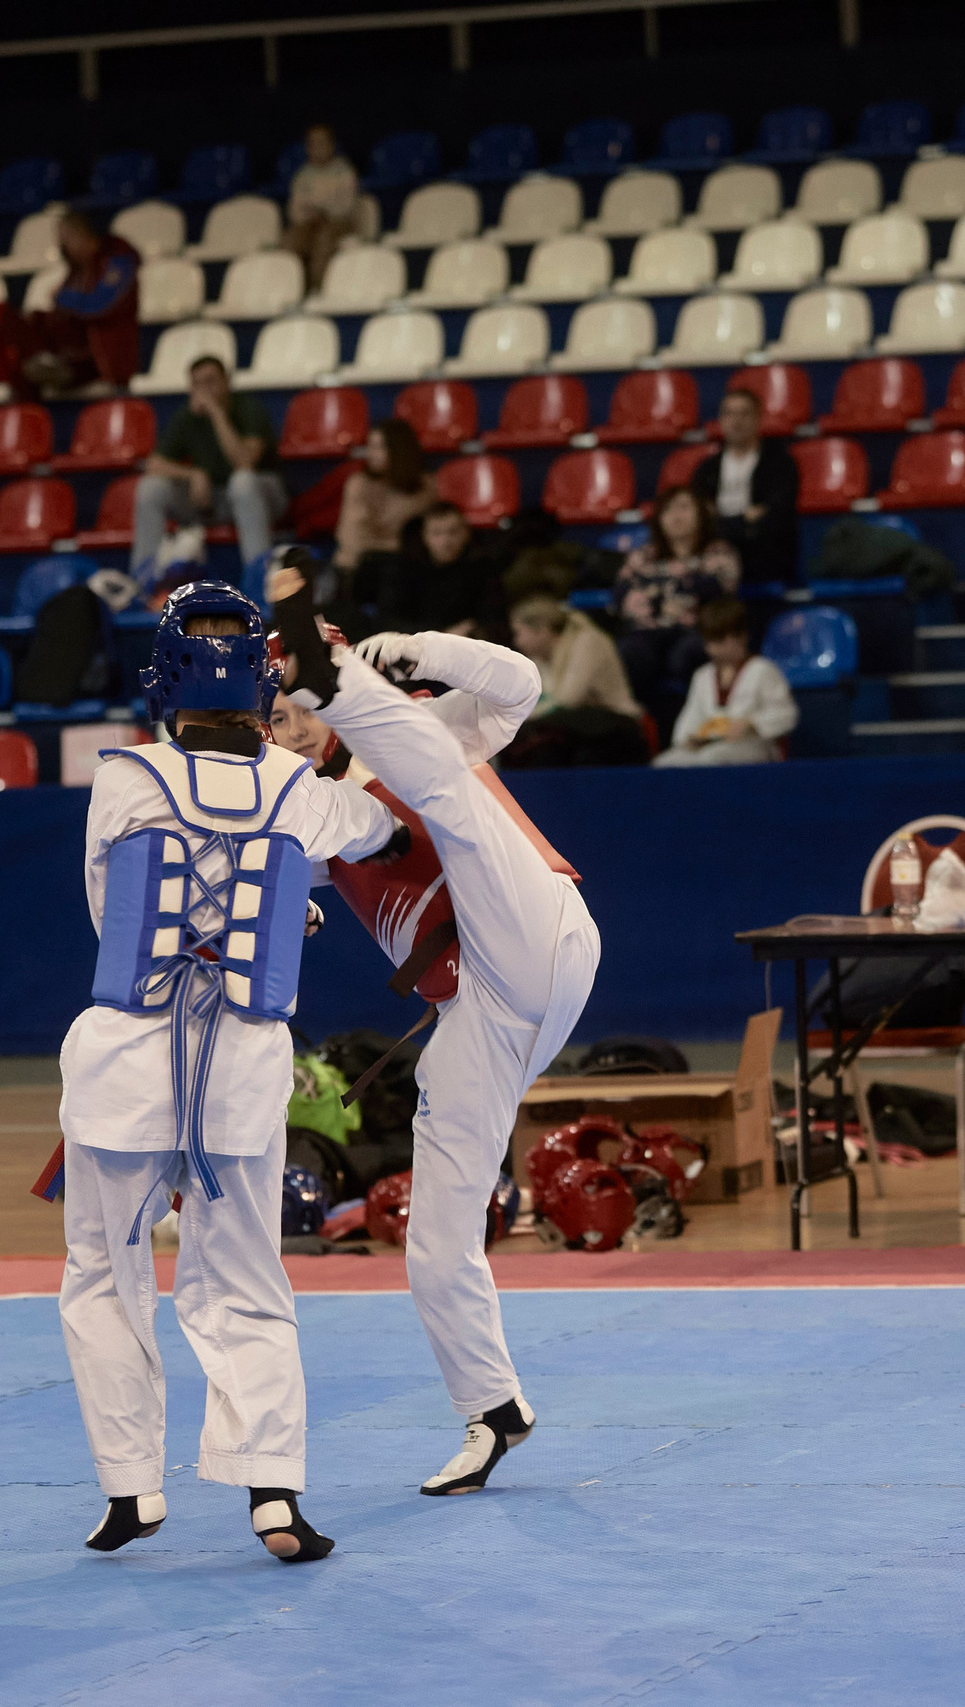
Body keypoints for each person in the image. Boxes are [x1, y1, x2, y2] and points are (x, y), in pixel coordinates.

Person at [55, 581, 397, 1564]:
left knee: (102, 1277)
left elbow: (108, 911)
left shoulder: (123, 778)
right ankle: (274, 1499)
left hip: (128, 1053)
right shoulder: (300, 789)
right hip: (242, 1061)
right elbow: (382, 831)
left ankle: (132, 1492)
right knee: (247, 1281)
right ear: (263, 678)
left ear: (163, 675)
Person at [266, 550, 599, 1495]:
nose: (288, 732)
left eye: (300, 708)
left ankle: (341, 670)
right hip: (482, 1010)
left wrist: (419, 651)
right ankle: (493, 1409)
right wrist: (285, 896)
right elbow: (311, 835)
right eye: (280, 717)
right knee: (433, 1232)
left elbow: (522, 684)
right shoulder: (317, 801)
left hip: (533, 925)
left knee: (448, 786)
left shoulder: (416, 730)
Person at [133, 357, 286, 579]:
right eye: (197, 384)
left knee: (242, 481)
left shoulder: (249, 408)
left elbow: (244, 461)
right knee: (151, 487)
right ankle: (143, 582)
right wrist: (193, 473)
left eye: (210, 382)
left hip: (262, 496)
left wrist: (216, 413)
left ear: (226, 381)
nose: (204, 390)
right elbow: (153, 464)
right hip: (212, 500)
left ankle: (258, 579)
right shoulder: (187, 416)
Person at [613, 485, 741, 727]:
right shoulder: (643, 555)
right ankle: (637, 729)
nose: (676, 516)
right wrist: (680, 590)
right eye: (668, 510)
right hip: (647, 632)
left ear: (701, 514)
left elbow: (715, 592)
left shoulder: (719, 552)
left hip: (697, 632)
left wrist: (654, 593)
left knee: (688, 653)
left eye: (684, 507)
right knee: (629, 653)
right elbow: (623, 596)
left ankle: (703, 724)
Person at [501, 595, 649, 767]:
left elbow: (568, 699)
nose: (516, 641)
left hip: (617, 724)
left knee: (550, 726)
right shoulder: (539, 659)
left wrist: (524, 718)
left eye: (518, 632)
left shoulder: (587, 640)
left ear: (541, 630)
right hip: (581, 727)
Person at [652, 599, 796, 767]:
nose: (712, 650)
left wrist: (751, 724)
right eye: (708, 642)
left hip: (752, 746)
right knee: (663, 763)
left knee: (713, 757)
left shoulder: (763, 670)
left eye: (719, 641)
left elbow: (786, 715)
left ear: (741, 636)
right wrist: (690, 738)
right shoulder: (703, 675)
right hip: (709, 745)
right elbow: (691, 717)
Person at [688, 388, 801, 584]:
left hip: (762, 551)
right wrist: (744, 519)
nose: (736, 420)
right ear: (720, 420)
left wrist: (724, 522)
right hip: (715, 546)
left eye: (744, 413)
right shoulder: (707, 468)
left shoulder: (780, 463)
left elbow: (775, 514)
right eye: (729, 413)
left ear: (758, 419)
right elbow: (700, 514)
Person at [32, 209, 141, 395]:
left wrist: (64, 297)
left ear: (81, 233)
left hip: (110, 363)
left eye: (65, 239)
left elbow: (100, 305)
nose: (63, 246)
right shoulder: (78, 270)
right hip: (77, 363)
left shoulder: (117, 260)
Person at [373, 501, 505, 639]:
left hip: (469, 647)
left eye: (452, 532)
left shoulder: (481, 567)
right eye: (437, 533)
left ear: (466, 533)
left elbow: (495, 617)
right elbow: (386, 622)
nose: (445, 542)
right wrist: (442, 634)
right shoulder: (403, 568)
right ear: (425, 536)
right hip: (417, 649)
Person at [332, 420, 433, 580]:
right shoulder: (359, 484)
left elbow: (431, 537)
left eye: (379, 447)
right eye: (370, 447)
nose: (371, 453)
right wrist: (401, 546)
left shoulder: (426, 486)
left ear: (400, 450)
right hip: (359, 568)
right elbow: (354, 540)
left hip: (408, 568)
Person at [284, 124, 361, 292]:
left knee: (323, 240)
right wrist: (309, 216)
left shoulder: (344, 171)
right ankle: (291, 291)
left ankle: (318, 291)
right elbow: (294, 210)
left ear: (331, 145)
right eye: (313, 144)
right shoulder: (302, 175)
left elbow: (346, 206)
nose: (317, 149)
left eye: (322, 143)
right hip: (308, 222)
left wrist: (324, 212)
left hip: (338, 223)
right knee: (289, 241)